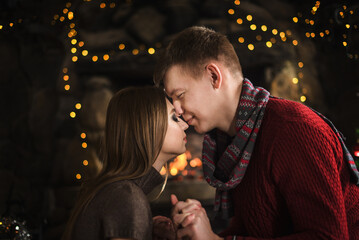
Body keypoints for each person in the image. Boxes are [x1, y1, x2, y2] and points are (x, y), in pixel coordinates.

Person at [153, 26, 359, 239]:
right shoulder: (237, 142)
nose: (176, 109)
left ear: (214, 76)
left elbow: (328, 237)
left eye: (180, 95)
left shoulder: (293, 129)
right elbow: (254, 231)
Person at [62, 86, 188, 240]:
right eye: (174, 118)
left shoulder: (119, 192)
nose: (185, 125)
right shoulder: (128, 198)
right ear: (148, 128)